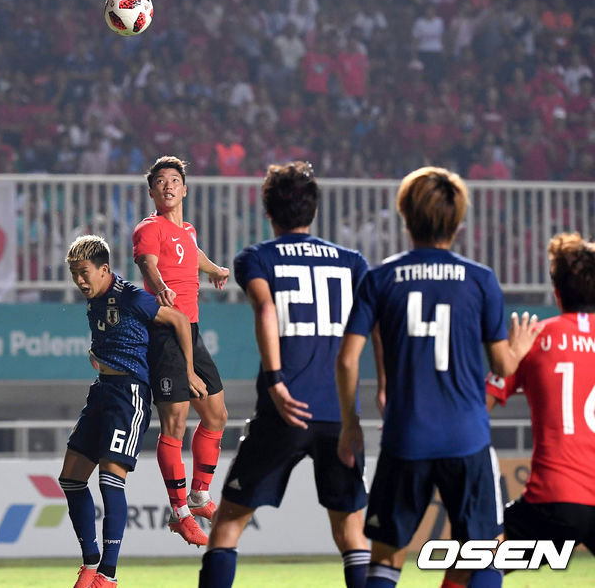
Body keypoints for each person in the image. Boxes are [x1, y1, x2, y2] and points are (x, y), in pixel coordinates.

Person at [335, 167, 542, 588]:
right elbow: (503, 367)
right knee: (484, 552)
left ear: (405, 216)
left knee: (387, 559)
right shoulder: (481, 279)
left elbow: (346, 360)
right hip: (467, 439)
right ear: (459, 221)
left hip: (405, 437)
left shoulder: (380, 278)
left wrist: (350, 425)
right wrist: (518, 350)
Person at [200, 161, 373, 587]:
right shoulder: (353, 262)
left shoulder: (257, 257)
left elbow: (265, 308)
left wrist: (276, 380)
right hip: (338, 415)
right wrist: (383, 389)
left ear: (269, 211)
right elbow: (377, 330)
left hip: (284, 411)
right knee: (352, 534)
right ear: (313, 210)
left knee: (226, 526)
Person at [61, 235, 200, 588]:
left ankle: (108, 574)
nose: (79, 281)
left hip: (130, 395)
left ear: (104, 269)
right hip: (102, 392)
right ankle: (91, 562)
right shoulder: (95, 300)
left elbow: (180, 321)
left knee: (110, 478)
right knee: (71, 478)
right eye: (75, 273)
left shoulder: (131, 297)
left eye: (84, 273)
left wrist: (188, 371)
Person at [132, 155, 231, 546]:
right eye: (161, 181)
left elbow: (193, 254)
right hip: (163, 330)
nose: (169, 186)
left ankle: (200, 495)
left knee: (217, 413)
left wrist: (215, 269)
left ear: (184, 189)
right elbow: (147, 262)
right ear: (153, 191)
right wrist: (159, 287)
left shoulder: (187, 230)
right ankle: (179, 512)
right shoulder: (149, 227)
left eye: (175, 180)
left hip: (190, 328)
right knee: (175, 421)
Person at [485, 232, 595, 565]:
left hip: (557, 499)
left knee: (476, 562)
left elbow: (477, 409)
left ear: (557, 293)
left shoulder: (535, 338)